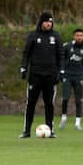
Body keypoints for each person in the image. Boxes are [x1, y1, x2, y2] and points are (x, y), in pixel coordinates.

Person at [19, 11, 63, 139]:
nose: (48, 24)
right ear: (41, 22)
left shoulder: (56, 36)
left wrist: (61, 71)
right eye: (46, 22)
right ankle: (26, 130)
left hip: (50, 76)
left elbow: (60, 55)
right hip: (35, 75)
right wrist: (23, 68)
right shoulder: (33, 35)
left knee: (49, 103)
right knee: (31, 102)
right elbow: (26, 53)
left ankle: (50, 129)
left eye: (50, 22)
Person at [59, 28, 83, 130]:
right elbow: (61, 60)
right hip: (67, 75)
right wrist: (62, 71)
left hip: (78, 76)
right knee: (65, 97)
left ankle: (78, 122)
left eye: (81, 35)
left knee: (78, 100)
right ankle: (63, 117)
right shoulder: (67, 46)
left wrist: (82, 74)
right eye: (77, 35)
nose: (79, 37)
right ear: (74, 36)